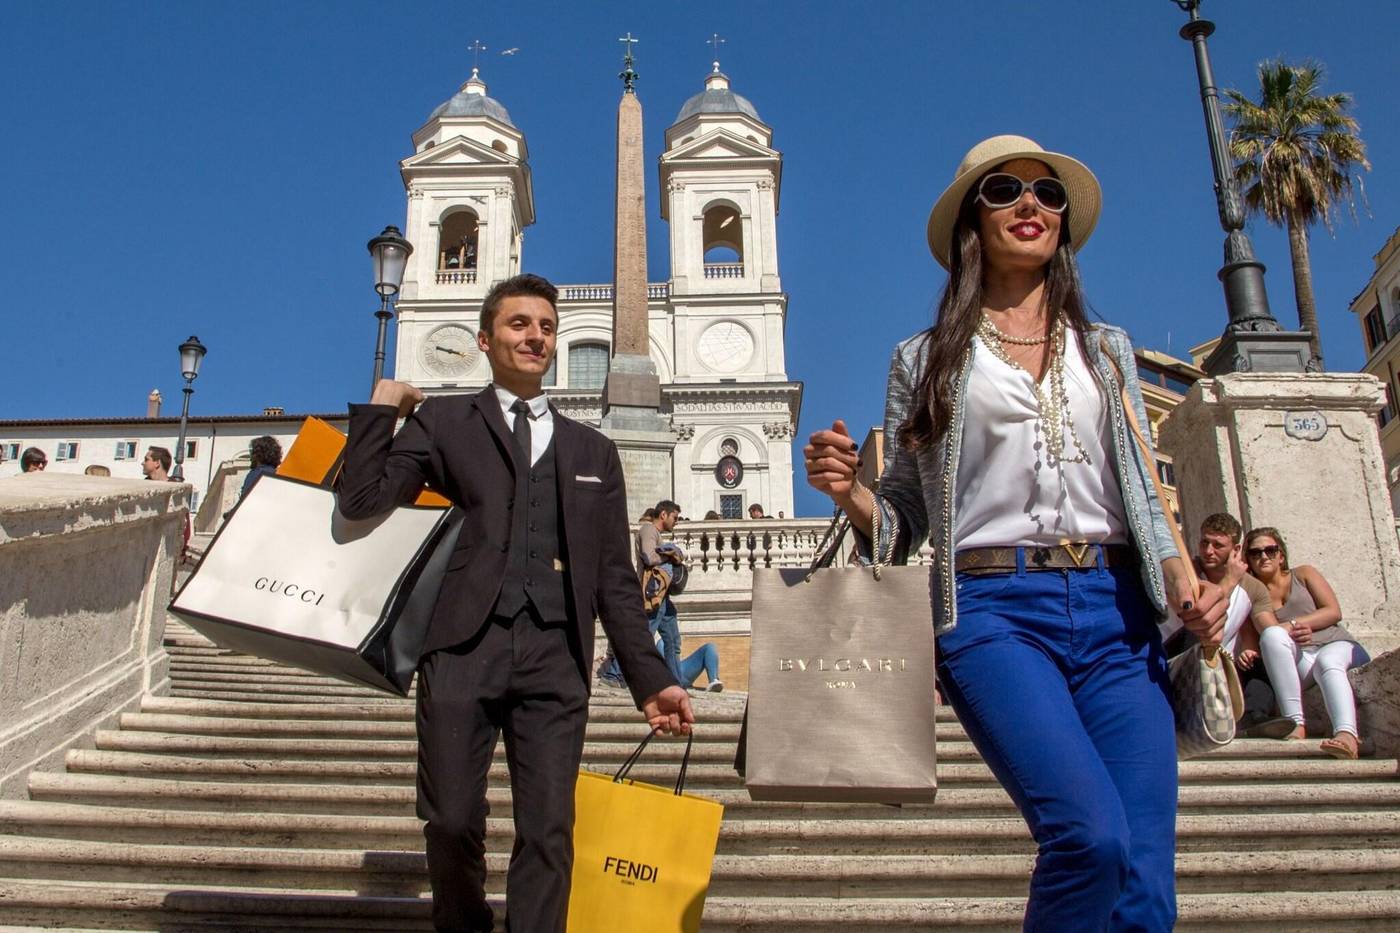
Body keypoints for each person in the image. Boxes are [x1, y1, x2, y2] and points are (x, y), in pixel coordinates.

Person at [803, 135, 1225, 931]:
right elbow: (901, 522)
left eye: (1048, 193)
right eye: (1006, 189)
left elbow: (1138, 480)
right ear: (973, 219)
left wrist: (1180, 579)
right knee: (1090, 837)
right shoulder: (924, 359)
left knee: (1145, 871)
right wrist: (850, 490)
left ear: (1063, 224)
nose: (1032, 204)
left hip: (1117, 611)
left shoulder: (1106, 349)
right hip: (994, 612)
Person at [336, 273, 693, 932]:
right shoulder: (442, 423)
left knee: (550, 831)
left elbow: (615, 578)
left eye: (547, 327)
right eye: (520, 324)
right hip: (461, 645)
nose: (536, 337)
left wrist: (652, 678)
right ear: (485, 337)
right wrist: (382, 408)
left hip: (555, 656)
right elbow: (359, 503)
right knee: (448, 818)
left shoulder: (595, 452)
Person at [1245, 526, 1370, 759]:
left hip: (1336, 644)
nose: (1263, 556)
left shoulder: (1303, 574)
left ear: (1281, 555)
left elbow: (1333, 611)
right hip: (1302, 660)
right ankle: (1295, 723)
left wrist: (1295, 624)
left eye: (1270, 550)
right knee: (1272, 636)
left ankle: (1347, 735)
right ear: (1248, 560)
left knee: (1328, 661)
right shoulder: (1254, 593)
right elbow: (1270, 630)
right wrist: (1287, 631)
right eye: (1255, 552)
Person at [1173, 513, 1295, 738]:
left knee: (1264, 654)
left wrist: (1287, 630)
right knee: (1197, 633)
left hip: (1219, 663)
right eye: (1204, 542)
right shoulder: (1185, 572)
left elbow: (1267, 625)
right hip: (1178, 656)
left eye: (1218, 545)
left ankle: (1253, 716)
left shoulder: (1253, 587)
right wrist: (1229, 580)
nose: (1208, 551)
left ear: (1236, 550)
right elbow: (1199, 615)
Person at [240, 435, 283, 500]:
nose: (250, 457)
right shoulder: (277, 474)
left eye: (252, 452)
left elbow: (245, 501)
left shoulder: (257, 474)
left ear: (258, 454)